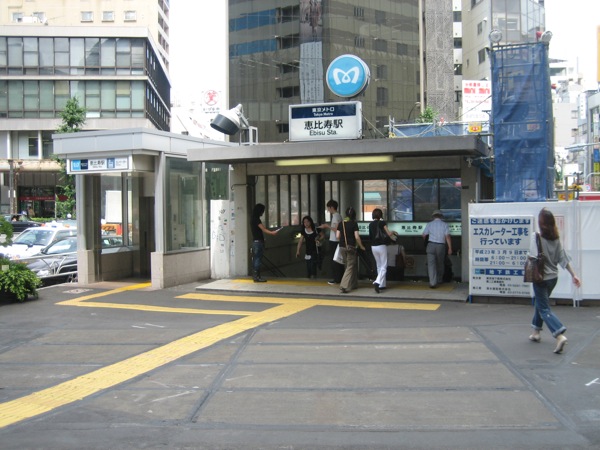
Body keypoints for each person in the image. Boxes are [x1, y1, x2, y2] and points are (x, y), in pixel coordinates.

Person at [528, 208, 581, 354]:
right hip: (553, 279)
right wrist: (574, 275)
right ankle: (536, 332)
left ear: (541, 223)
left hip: (540, 278)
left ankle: (559, 335)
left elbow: (532, 255)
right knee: (541, 303)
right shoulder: (556, 239)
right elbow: (563, 259)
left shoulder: (536, 237)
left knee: (544, 308)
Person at [336, 206, 365, 293]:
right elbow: (357, 237)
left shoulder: (341, 223)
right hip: (350, 247)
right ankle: (344, 285)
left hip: (342, 247)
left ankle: (354, 284)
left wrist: (342, 242)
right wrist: (361, 246)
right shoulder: (354, 224)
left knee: (351, 265)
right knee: (350, 266)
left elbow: (337, 236)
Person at [368, 208, 397, 293]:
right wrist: (393, 232)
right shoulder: (382, 223)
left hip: (373, 247)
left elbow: (370, 236)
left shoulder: (370, 224)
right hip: (381, 246)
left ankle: (382, 285)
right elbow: (389, 233)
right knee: (384, 266)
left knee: (379, 265)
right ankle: (377, 282)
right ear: (380, 215)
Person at [250, 203, 280, 283]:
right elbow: (263, 229)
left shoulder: (252, 219)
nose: (263, 213)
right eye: (262, 211)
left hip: (255, 242)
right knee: (258, 259)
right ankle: (257, 277)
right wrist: (272, 233)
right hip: (258, 242)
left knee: (256, 259)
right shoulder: (257, 220)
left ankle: (256, 276)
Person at [422, 210, 452, 288]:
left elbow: (424, 235)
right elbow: (447, 236)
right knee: (440, 263)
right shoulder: (445, 224)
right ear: (441, 216)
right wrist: (450, 248)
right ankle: (439, 279)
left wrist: (426, 241)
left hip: (431, 245)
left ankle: (432, 283)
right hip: (441, 246)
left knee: (431, 265)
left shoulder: (429, 224)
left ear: (433, 216)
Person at [320, 199, 344, 286]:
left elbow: (336, 229)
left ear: (331, 207)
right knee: (338, 259)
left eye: (328, 208)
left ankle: (337, 279)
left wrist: (327, 226)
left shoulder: (336, 216)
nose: (328, 210)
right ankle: (340, 278)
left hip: (334, 241)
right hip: (337, 241)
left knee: (334, 260)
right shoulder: (338, 216)